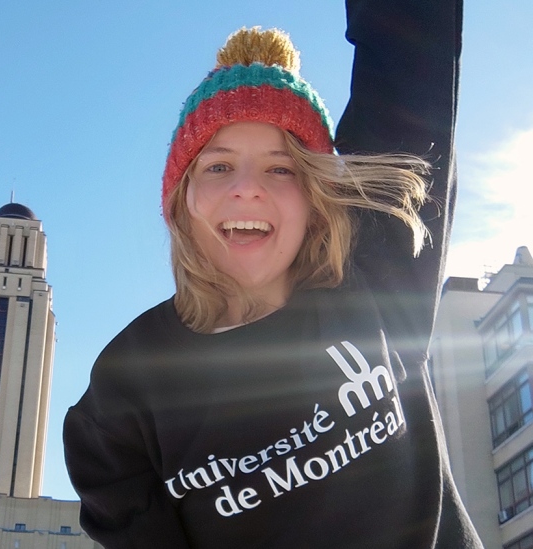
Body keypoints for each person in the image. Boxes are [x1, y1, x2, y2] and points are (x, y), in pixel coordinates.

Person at [64, 0, 484, 547]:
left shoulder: (376, 279)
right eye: (217, 166)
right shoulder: (124, 389)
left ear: (314, 197)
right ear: (182, 202)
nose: (247, 187)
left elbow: (409, 63)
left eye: (280, 167)